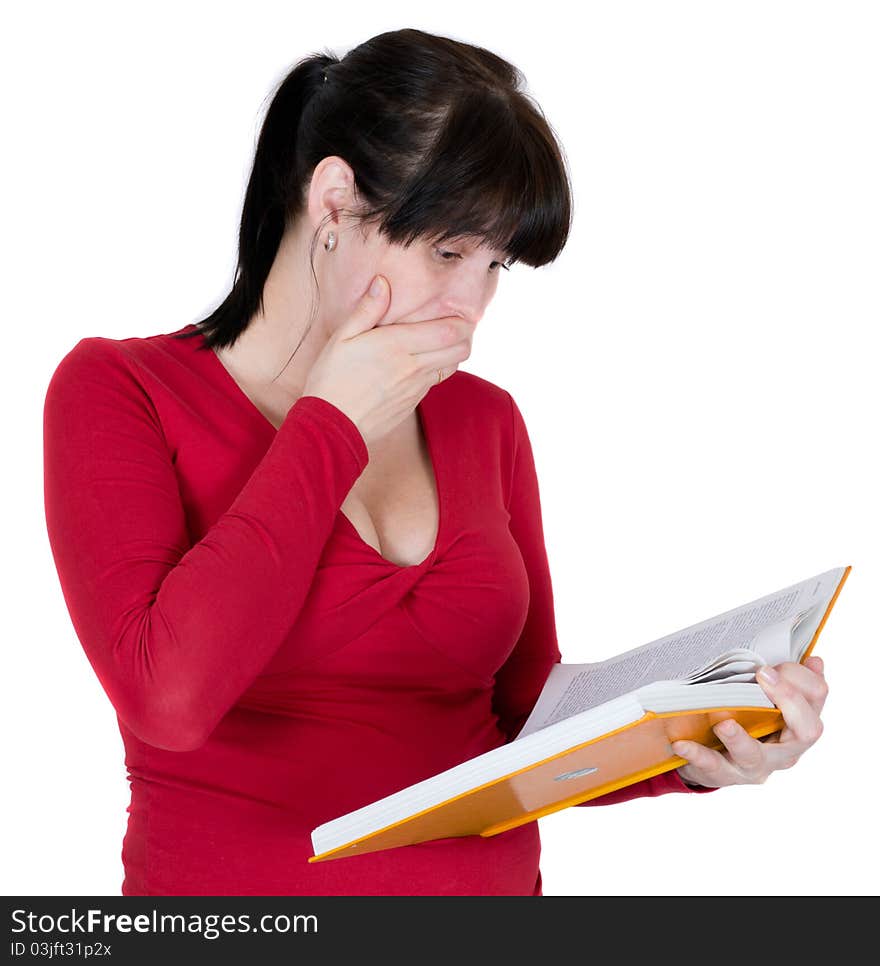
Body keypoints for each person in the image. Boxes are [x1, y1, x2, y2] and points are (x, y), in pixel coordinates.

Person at [42, 28, 828, 897]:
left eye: (496, 265)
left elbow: (528, 726)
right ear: (334, 201)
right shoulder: (122, 391)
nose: (470, 306)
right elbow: (169, 702)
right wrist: (331, 423)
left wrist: (695, 748)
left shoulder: (483, 420)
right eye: (448, 253)